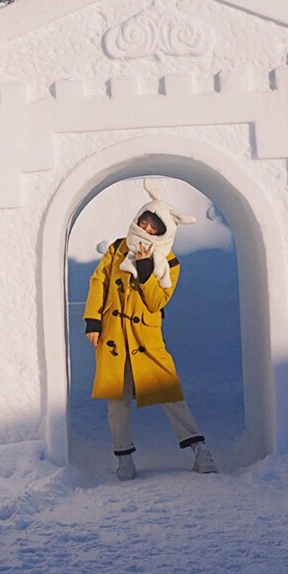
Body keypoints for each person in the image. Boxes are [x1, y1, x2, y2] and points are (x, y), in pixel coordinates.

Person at [82, 180, 217, 480]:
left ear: (164, 232)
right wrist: (93, 321)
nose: (147, 228)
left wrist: (145, 271)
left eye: (154, 226)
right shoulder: (118, 249)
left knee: (171, 397)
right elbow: (99, 282)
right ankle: (124, 459)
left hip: (146, 341)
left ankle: (200, 451)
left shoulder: (169, 263)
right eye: (145, 221)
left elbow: (157, 301)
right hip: (114, 338)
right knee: (117, 404)